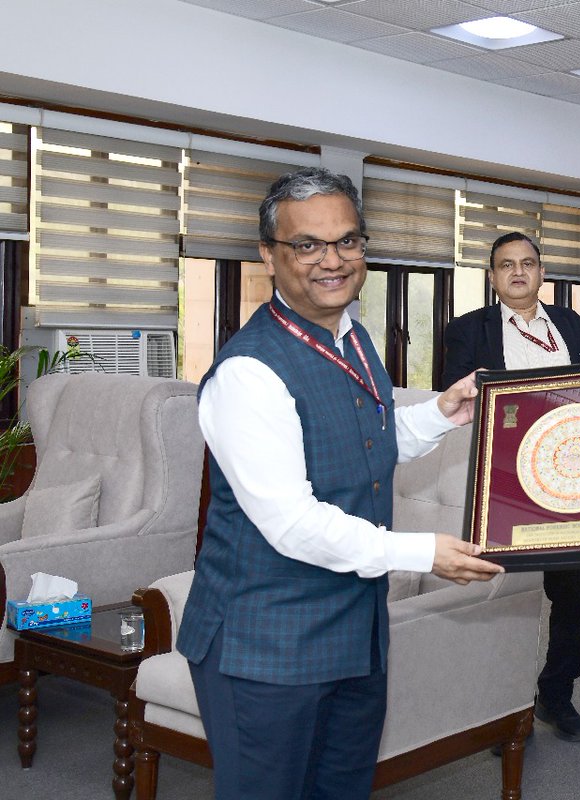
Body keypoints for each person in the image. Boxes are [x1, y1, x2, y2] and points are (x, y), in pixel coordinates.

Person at [175, 167, 503, 800]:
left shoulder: (351, 336)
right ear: (268, 255)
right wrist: (421, 551)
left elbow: (361, 446)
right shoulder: (247, 374)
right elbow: (292, 523)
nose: (333, 261)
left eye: (348, 241)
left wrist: (440, 414)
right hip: (263, 648)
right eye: (308, 245)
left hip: (355, 635)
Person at [442, 231, 580, 742]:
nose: (518, 272)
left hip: (571, 480)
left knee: (576, 595)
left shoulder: (573, 325)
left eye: (528, 263)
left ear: (541, 272)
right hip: (506, 484)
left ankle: (557, 696)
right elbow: (455, 404)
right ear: (492, 278)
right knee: (507, 597)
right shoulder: (468, 330)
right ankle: (504, 709)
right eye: (506, 265)